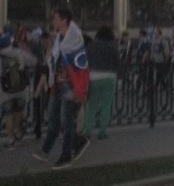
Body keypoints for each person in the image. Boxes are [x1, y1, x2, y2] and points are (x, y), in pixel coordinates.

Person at [32, 9, 90, 169]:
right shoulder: (59, 38)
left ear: (64, 20)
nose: (53, 21)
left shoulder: (74, 38)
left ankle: (66, 155)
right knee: (53, 117)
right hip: (57, 84)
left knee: (66, 121)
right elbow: (55, 58)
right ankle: (48, 150)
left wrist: (80, 90)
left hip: (69, 85)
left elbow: (80, 65)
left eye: (55, 18)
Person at [82, 26, 120, 140]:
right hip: (110, 77)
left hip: (94, 76)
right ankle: (102, 132)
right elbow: (117, 62)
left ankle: (87, 131)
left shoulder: (91, 46)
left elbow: (85, 61)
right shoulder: (113, 47)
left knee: (91, 106)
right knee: (106, 105)